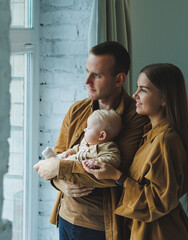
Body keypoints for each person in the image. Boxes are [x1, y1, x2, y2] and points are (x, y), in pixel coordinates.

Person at [33, 41, 149, 240]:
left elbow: (115, 173)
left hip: (100, 226)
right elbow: (59, 154)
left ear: (119, 79)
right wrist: (59, 183)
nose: (87, 81)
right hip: (65, 216)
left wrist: (59, 169)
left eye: (96, 75)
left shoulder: (136, 119)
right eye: (87, 71)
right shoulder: (77, 110)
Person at [82, 63, 188, 240]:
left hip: (159, 233)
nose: (135, 95)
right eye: (137, 88)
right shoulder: (150, 134)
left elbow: (158, 201)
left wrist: (117, 176)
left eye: (143, 90)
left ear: (164, 98)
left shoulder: (166, 140)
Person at [43, 109, 122, 168]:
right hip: (74, 159)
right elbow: (77, 148)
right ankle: (54, 160)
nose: (85, 129)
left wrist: (95, 162)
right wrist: (69, 151)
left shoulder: (108, 147)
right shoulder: (85, 141)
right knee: (65, 158)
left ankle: (54, 162)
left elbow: (114, 160)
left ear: (101, 136)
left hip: (81, 167)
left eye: (89, 127)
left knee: (68, 164)